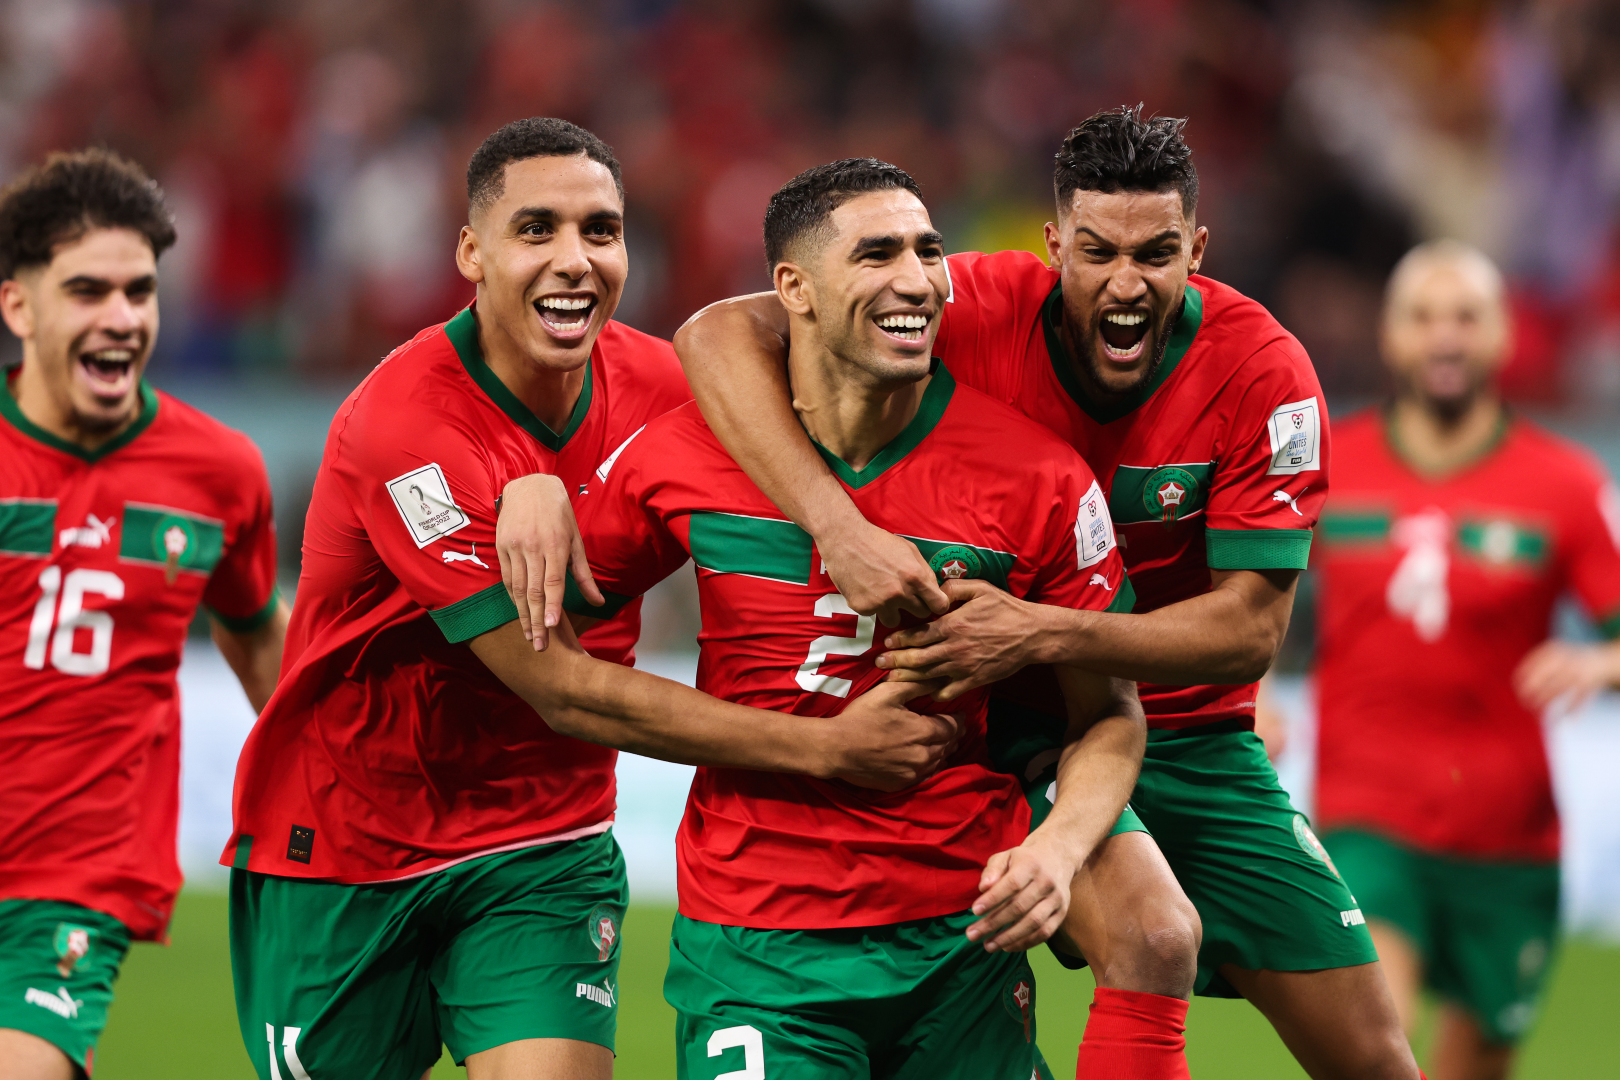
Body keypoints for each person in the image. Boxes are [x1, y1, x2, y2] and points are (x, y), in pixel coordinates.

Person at [670, 106, 1424, 1079]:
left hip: (1190, 733)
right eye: (1097, 252)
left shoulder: (1262, 370)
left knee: (1375, 1058)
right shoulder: (968, 304)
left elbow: (1247, 634)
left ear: (1198, 247)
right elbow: (716, 332)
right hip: (1017, 726)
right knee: (1153, 937)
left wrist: (1031, 630)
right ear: (1052, 241)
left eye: (1155, 253)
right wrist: (834, 522)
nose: (1125, 283)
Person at [223, 119, 957, 1080]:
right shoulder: (403, 423)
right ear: (471, 255)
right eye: (537, 231)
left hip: (542, 841)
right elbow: (558, 687)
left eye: (600, 231)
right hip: (345, 844)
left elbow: (768, 326)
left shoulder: (663, 385)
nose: (575, 261)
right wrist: (828, 750)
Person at [563, 156, 1145, 1080]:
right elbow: (559, 667)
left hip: (962, 944)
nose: (917, 279)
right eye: (876, 254)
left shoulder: (1038, 478)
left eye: (928, 250)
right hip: (759, 946)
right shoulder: (684, 455)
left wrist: (1058, 849)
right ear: (791, 288)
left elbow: (1109, 715)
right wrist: (525, 487)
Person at [0, 149, 287, 1080]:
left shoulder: (219, 474)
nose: (122, 318)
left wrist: (347, 792)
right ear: (19, 308)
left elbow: (256, 638)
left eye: (140, 291)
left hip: (71, 882)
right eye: (88, 291)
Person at [1311, 240, 1620, 1080]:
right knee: (1379, 1036)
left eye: (1465, 318)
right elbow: (1244, 600)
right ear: (1390, 337)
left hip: (1508, 837)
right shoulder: (1329, 464)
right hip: (1367, 809)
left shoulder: (1564, 483)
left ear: (1503, 336)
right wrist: (1253, 689)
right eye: (1423, 317)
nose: (1444, 337)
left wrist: (1600, 665)